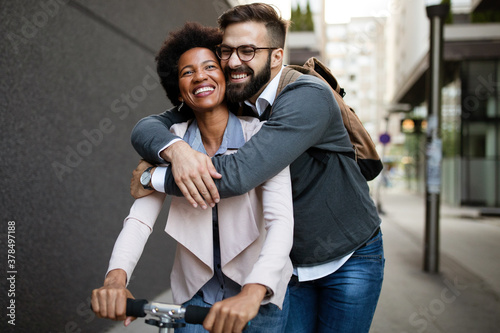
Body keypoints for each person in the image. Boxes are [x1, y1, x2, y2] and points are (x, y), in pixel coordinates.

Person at [131, 3, 384, 332]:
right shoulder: (235, 93)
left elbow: (238, 175)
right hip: (289, 263)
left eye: (248, 50)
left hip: (348, 256)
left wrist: (154, 177)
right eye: (227, 51)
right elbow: (148, 127)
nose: (234, 61)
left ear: (276, 56)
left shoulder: (307, 98)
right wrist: (176, 150)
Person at [91, 22, 294, 333]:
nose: (200, 76)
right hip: (194, 296)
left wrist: (255, 291)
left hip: (258, 295)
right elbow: (139, 220)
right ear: (179, 88)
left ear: (226, 75)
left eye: (210, 66)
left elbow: (280, 221)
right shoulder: (169, 142)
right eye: (187, 72)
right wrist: (115, 279)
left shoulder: (262, 136)